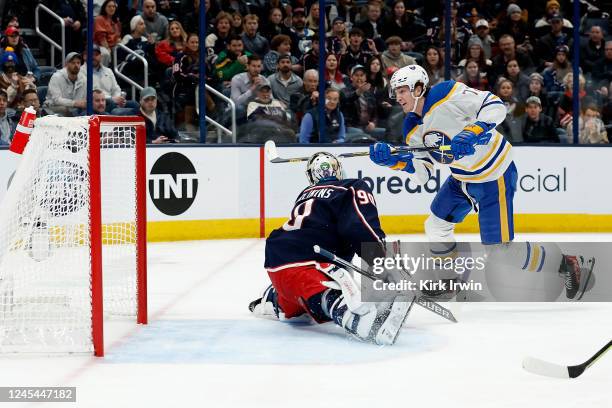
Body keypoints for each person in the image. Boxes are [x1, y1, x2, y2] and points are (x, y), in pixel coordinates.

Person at [368, 65, 590, 300]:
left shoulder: (446, 93)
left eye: (403, 90)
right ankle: (449, 280)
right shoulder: (411, 127)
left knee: (501, 252)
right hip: (462, 178)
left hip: (494, 175)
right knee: (435, 225)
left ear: (419, 88)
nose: (398, 97)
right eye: (396, 92)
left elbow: (494, 106)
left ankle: (565, 264)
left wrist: (471, 131)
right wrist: (393, 162)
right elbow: (424, 172)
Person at [249, 151, 411, 346]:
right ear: (339, 170)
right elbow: (360, 226)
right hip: (307, 262)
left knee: (298, 306)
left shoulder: (305, 195)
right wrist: (383, 261)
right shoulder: (350, 187)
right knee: (327, 295)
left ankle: (273, 297)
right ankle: (355, 317)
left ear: (311, 176)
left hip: (278, 262)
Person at [43, 52, 86, 116]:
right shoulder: (56, 77)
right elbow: (56, 100)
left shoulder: (83, 78)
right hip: (52, 108)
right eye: (73, 63)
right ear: (66, 64)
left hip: (73, 110)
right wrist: (75, 103)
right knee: (64, 109)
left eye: (78, 63)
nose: (76, 65)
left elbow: (83, 99)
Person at [230, 54, 267, 121]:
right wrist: (252, 88)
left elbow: (270, 101)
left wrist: (263, 90)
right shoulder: (237, 79)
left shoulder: (264, 81)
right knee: (240, 109)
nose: (256, 69)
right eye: (253, 66)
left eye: (258, 66)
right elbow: (236, 103)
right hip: (235, 113)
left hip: (254, 112)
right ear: (247, 66)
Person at [94, 0, 123, 66]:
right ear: (104, 8)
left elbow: (118, 37)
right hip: (100, 46)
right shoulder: (99, 19)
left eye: (113, 6)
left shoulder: (117, 22)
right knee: (105, 53)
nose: (112, 8)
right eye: (109, 6)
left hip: (113, 46)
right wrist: (107, 48)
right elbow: (101, 38)